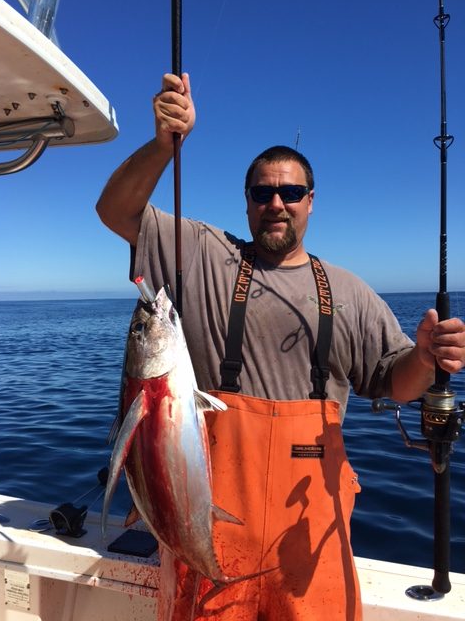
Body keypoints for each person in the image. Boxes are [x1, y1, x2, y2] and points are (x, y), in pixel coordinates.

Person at [96, 73, 465, 621]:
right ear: (246, 204)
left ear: (310, 202)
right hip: (212, 526)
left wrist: (427, 356)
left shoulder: (350, 292)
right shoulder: (201, 253)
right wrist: (162, 146)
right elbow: (115, 212)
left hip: (310, 541)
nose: (276, 203)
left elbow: (396, 383)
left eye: (290, 192)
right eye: (262, 193)